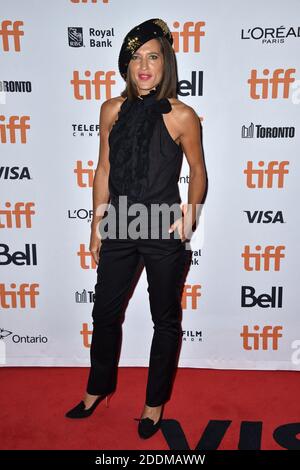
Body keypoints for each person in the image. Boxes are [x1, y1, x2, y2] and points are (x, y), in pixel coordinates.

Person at [65, 18, 206, 440]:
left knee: (165, 319)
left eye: (153, 56)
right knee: (104, 313)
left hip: (162, 226)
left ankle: (153, 403)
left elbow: (198, 172)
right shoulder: (110, 109)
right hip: (120, 224)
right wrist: (96, 225)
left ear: (166, 63)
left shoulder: (183, 115)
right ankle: (97, 389)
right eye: (136, 58)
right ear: (126, 65)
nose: (144, 66)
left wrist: (190, 214)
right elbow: (103, 169)